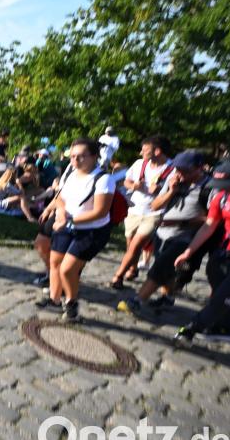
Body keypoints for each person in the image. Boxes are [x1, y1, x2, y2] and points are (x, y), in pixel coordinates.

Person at [119, 151, 213, 314]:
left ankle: (137, 301)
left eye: (185, 170)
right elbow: (155, 205)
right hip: (162, 233)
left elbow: (213, 219)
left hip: (185, 237)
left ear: (199, 168)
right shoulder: (174, 181)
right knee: (167, 268)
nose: (180, 173)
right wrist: (171, 191)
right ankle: (167, 297)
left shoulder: (209, 188)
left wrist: (181, 222)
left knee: (159, 267)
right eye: (178, 169)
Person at [172, 159, 230, 346]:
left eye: (229, 184)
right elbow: (209, 226)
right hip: (222, 255)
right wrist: (188, 252)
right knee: (220, 293)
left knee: (222, 297)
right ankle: (223, 329)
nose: (224, 189)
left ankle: (191, 330)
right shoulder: (222, 198)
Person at [35, 138, 115, 322]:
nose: (75, 160)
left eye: (81, 156)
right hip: (66, 225)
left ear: (94, 156)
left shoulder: (104, 179)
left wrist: (68, 220)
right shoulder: (72, 173)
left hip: (91, 231)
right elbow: (61, 197)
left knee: (67, 269)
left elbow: (100, 212)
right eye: (72, 156)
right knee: (55, 262)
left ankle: (71, 305)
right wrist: (61, 212)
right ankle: (54, 299)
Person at [110, 136, 173, 289]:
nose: (140, 153)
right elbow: (126, 181)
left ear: (157, 151)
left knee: (136, 244)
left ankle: (118, 276)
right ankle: (133, 268)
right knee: (131, 244)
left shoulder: (173, 169)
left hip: (154, 213)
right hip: (134, 209)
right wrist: (133, 186)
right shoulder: (139, 164)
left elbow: (175, 192)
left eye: (145, 150)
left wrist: (162, 191)